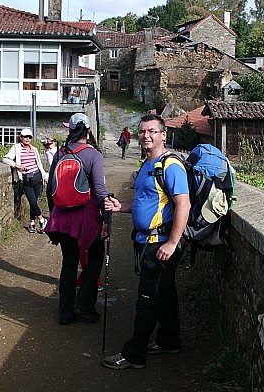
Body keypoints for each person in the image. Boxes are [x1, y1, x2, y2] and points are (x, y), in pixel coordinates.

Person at [102, 113, 190, 370]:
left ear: (163, 134)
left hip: (160, 244)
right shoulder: (147, 165)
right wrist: (121, 207)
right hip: (148, 241)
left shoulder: (171, 165)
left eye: (152, 131)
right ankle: (169, 340)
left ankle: (134, 355)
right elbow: (144, 201)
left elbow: (183, 204)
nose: (146, 136)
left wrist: (172, 243)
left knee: (147, 300)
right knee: (166, 293)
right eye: (142, 132)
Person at [44, 113, 109, 325]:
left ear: (70, 131)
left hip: (63, 216)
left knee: (69, 263)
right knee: (97, 256)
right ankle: (84, 304)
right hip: (86, 216)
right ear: (89, 131)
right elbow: (99, 190)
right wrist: (106, 218)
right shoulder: (93, 155)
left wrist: (54, 213)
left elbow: (50, 188)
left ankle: (65, 312)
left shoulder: (61, 153)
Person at [2, 128, 48, 233]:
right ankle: (42, 220)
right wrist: (17, 165)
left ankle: (32, 223)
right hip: (26, 179)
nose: (27, 139)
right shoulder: (16, 148)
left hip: (37, 177)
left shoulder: (34, 149)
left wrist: (44, 176)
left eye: (29, 137)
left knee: (34, 202)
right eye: (24, 137)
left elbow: (39, 164)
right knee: (32, 201)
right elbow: (5, 159)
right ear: (21, 137)